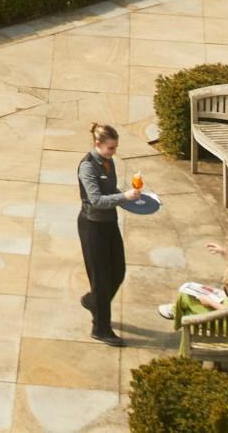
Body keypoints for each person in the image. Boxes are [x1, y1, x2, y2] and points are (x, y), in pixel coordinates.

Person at [76, 122, 133, 345]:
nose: (113, 152)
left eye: (115, 147)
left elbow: (111, 192)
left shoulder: (109, 163)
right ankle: (101, 327)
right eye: (110, 148)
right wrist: (124, 198)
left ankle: (94, 301)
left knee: (118, 270)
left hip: (109, 222)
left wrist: (135, 198)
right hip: (92, 226)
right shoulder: (87, 167)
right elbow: (96, 200)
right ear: (97, 144)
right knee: (100, 278)